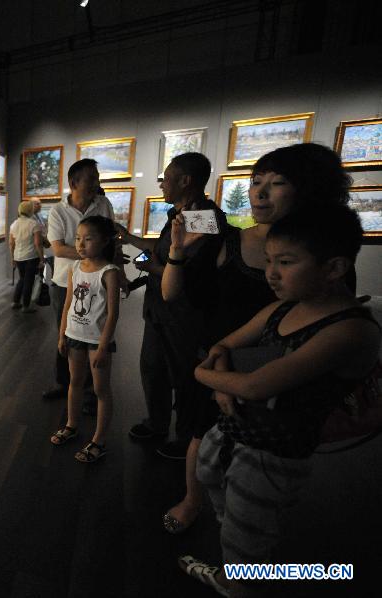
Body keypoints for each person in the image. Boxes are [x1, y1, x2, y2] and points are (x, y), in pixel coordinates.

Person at [179, 205, 380, 597]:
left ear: (335, 267)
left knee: (247, 536)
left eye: (285, 262)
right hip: (236, 431)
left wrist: (205, 376)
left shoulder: (350, 330)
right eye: (269, 260)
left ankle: (237, 581)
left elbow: (256, 386)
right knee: (226, 501)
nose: (270, 272)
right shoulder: (282, 308)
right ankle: (246, 553)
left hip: (273, 451)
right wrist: (225, 384)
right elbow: (225, 344)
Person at [159, 143, 353, 534]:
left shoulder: (322, 256)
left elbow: (320, 324)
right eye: (255, 181)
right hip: (217, 357)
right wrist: (178, 252)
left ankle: (244, 539)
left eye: (277, 182)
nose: (259, 192)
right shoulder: (227, 236)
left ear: (309, 189)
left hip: (274, 375)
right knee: (202, 438)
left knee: (260, 464)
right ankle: (197, 502)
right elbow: (170, 292)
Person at [116, 153, 226, 460]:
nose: (162, 184)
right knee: (153, 369)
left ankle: (186, 437)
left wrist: (147, 266)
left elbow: (184, 275)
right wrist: (131, 240)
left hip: (184, 316)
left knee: (184, 376)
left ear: (185, 180)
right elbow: (161, 251)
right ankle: (158, 422)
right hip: (157, 311)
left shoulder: (205, 219)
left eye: (166, 178)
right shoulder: (178, 215)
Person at [43, 159, 117, 407]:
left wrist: (118, 272)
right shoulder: (58, 211)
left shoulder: (103, 205)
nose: (97, 183)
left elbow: (112, 240)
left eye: (97, 178)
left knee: (93, 333)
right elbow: (58, 249)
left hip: (97, 283)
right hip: (65, 281)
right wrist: (94, 254)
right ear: (74, 183)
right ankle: (64, 383)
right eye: (92, 179)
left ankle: (89, 391)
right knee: (65, 333)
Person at [50, 216, 121, 463]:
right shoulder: (75, 268)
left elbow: (113, 314)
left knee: (101, 390)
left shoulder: (110, 272)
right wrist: (61, 336)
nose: (81, 244)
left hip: (96, 341)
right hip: (74, 337)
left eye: (88, 239)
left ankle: (99, 440)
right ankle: (71, 425)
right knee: (75, 382)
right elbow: (68, 304)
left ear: (103, 242)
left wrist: (103, 347)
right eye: (78, 238)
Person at [9, 201, 44, 312]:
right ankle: (26, 306)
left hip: (18, 257)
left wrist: (12, 258)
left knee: (22, 279)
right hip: (31, 257)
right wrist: (42, 259)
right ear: (30, 210)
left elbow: (11, 243)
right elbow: (38, 243)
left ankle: (16, 301)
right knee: (29, 281)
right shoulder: (34, 224)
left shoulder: (14, 224)